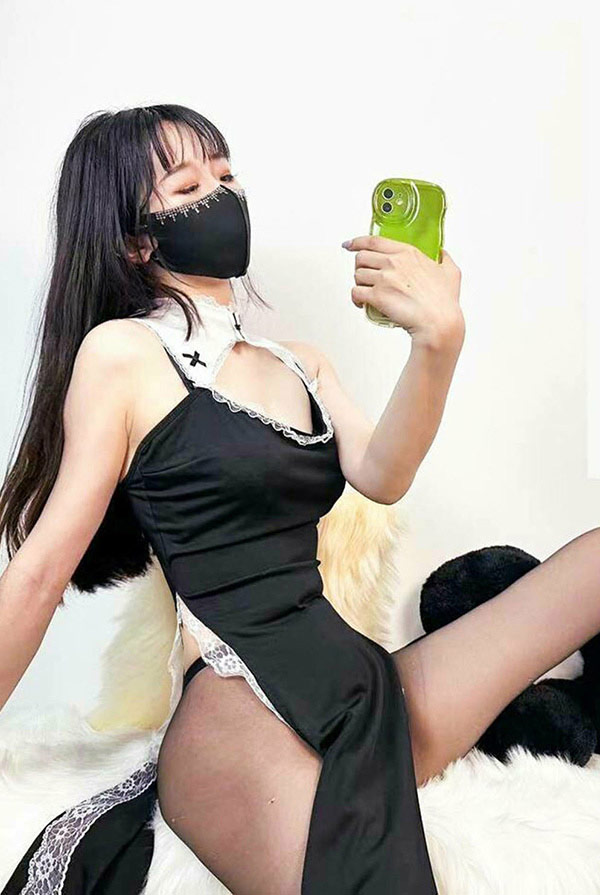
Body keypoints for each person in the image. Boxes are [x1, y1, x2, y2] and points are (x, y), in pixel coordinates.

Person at [1, 103, 599, 895]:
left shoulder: (299, 361)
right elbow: (39, 571)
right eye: (188, 186)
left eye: (226, 174)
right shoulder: (123, 355)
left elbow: (384, 473)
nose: (222, 195)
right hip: (237, 704)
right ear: (136, 241)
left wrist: (438, 343)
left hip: (361, 688)